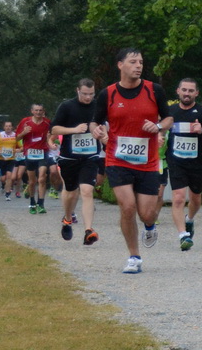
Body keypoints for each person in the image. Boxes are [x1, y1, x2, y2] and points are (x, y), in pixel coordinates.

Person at [103, 49, 170, 274]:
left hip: (148, 162)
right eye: (133, 62)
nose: (138, 66)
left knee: (146, 213)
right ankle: (134, 256)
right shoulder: (108, 93)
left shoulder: (154, 90)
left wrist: (159, 126)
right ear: (120, 65)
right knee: (127, 206)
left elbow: (169, 117)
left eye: (141, 62)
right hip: (117, 159)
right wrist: (97, 131)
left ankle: (150, 226)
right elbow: (94, 121)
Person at [163, 78, 202, 250]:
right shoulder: (170, 111)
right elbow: (160, 128)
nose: (187, 93)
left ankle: (189, 220)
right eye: (184, 90)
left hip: (197, 162)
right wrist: (159, 136)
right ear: (178, 91)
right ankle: (183, 235)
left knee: (195, 198)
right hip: (176, 161)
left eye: (190, 91)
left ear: (196, 93)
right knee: (179, 197)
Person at [52, 78, 106, 244]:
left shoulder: (99, 106)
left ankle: (88, 230)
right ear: (77, 91)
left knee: (87, 191)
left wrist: (103, 135)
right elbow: (54, 129)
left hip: (90, 157)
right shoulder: (67, 106)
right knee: (70, 192)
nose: (88, 97)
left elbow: (105, 126)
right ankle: (67, 219)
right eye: (84, 94)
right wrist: (74, 130)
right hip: (69, 158)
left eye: (91, 94)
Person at [16, 104, 54, 214]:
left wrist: (50, 141)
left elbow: (51, 135)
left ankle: (41, 204)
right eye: (36, 110)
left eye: (40, 110)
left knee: (42, 178)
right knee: (32, 181)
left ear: (43, 111)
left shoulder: (47, 122)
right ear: (32, 111)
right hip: (30, 153)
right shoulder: (25, 121)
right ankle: (32, 202)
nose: (38, 112)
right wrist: (24, 132)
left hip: (43, 152)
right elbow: (17, 138)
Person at [0, 122, 18, 197]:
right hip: (1, 158)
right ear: (4, 127)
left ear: (12, 127)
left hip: (11, 158)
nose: (8, 127)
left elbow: (22, 146)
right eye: (6, 126)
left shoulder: (15, 135)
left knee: (9, 175)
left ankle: (7, 192)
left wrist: (18, 150)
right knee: (3, 178)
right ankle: (4, 185)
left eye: (9, 126)